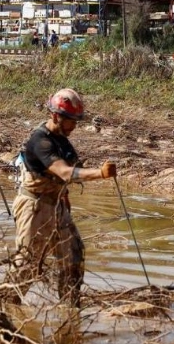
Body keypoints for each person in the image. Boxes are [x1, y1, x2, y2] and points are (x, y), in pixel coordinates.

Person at [11, 88, 117, 307]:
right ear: (56, 116)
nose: (73, 126)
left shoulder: (64, 143)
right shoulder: (40, 141)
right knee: (27, 265)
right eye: (70, 121)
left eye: (76, 121)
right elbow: (65, 173)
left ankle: (70, 308)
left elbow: (64, 180)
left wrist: (65, 203)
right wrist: (100, 173)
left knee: (73, 255)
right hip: (34, 206)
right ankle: (7, 305)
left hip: (57, 204)